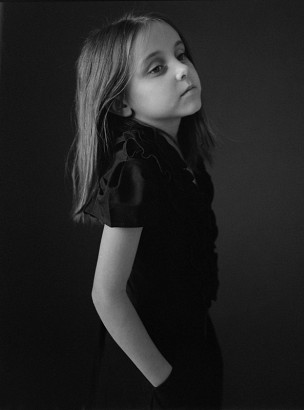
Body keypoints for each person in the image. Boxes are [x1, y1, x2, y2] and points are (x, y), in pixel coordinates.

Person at [68, 11, 223, 410]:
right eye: (157, 68)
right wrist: (167, 381)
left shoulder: (178, 158)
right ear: (121, 102)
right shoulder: (136, 168)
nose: (182, 70)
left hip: (190, 342)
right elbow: (106, 294)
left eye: (180, 55)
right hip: (151, 367)